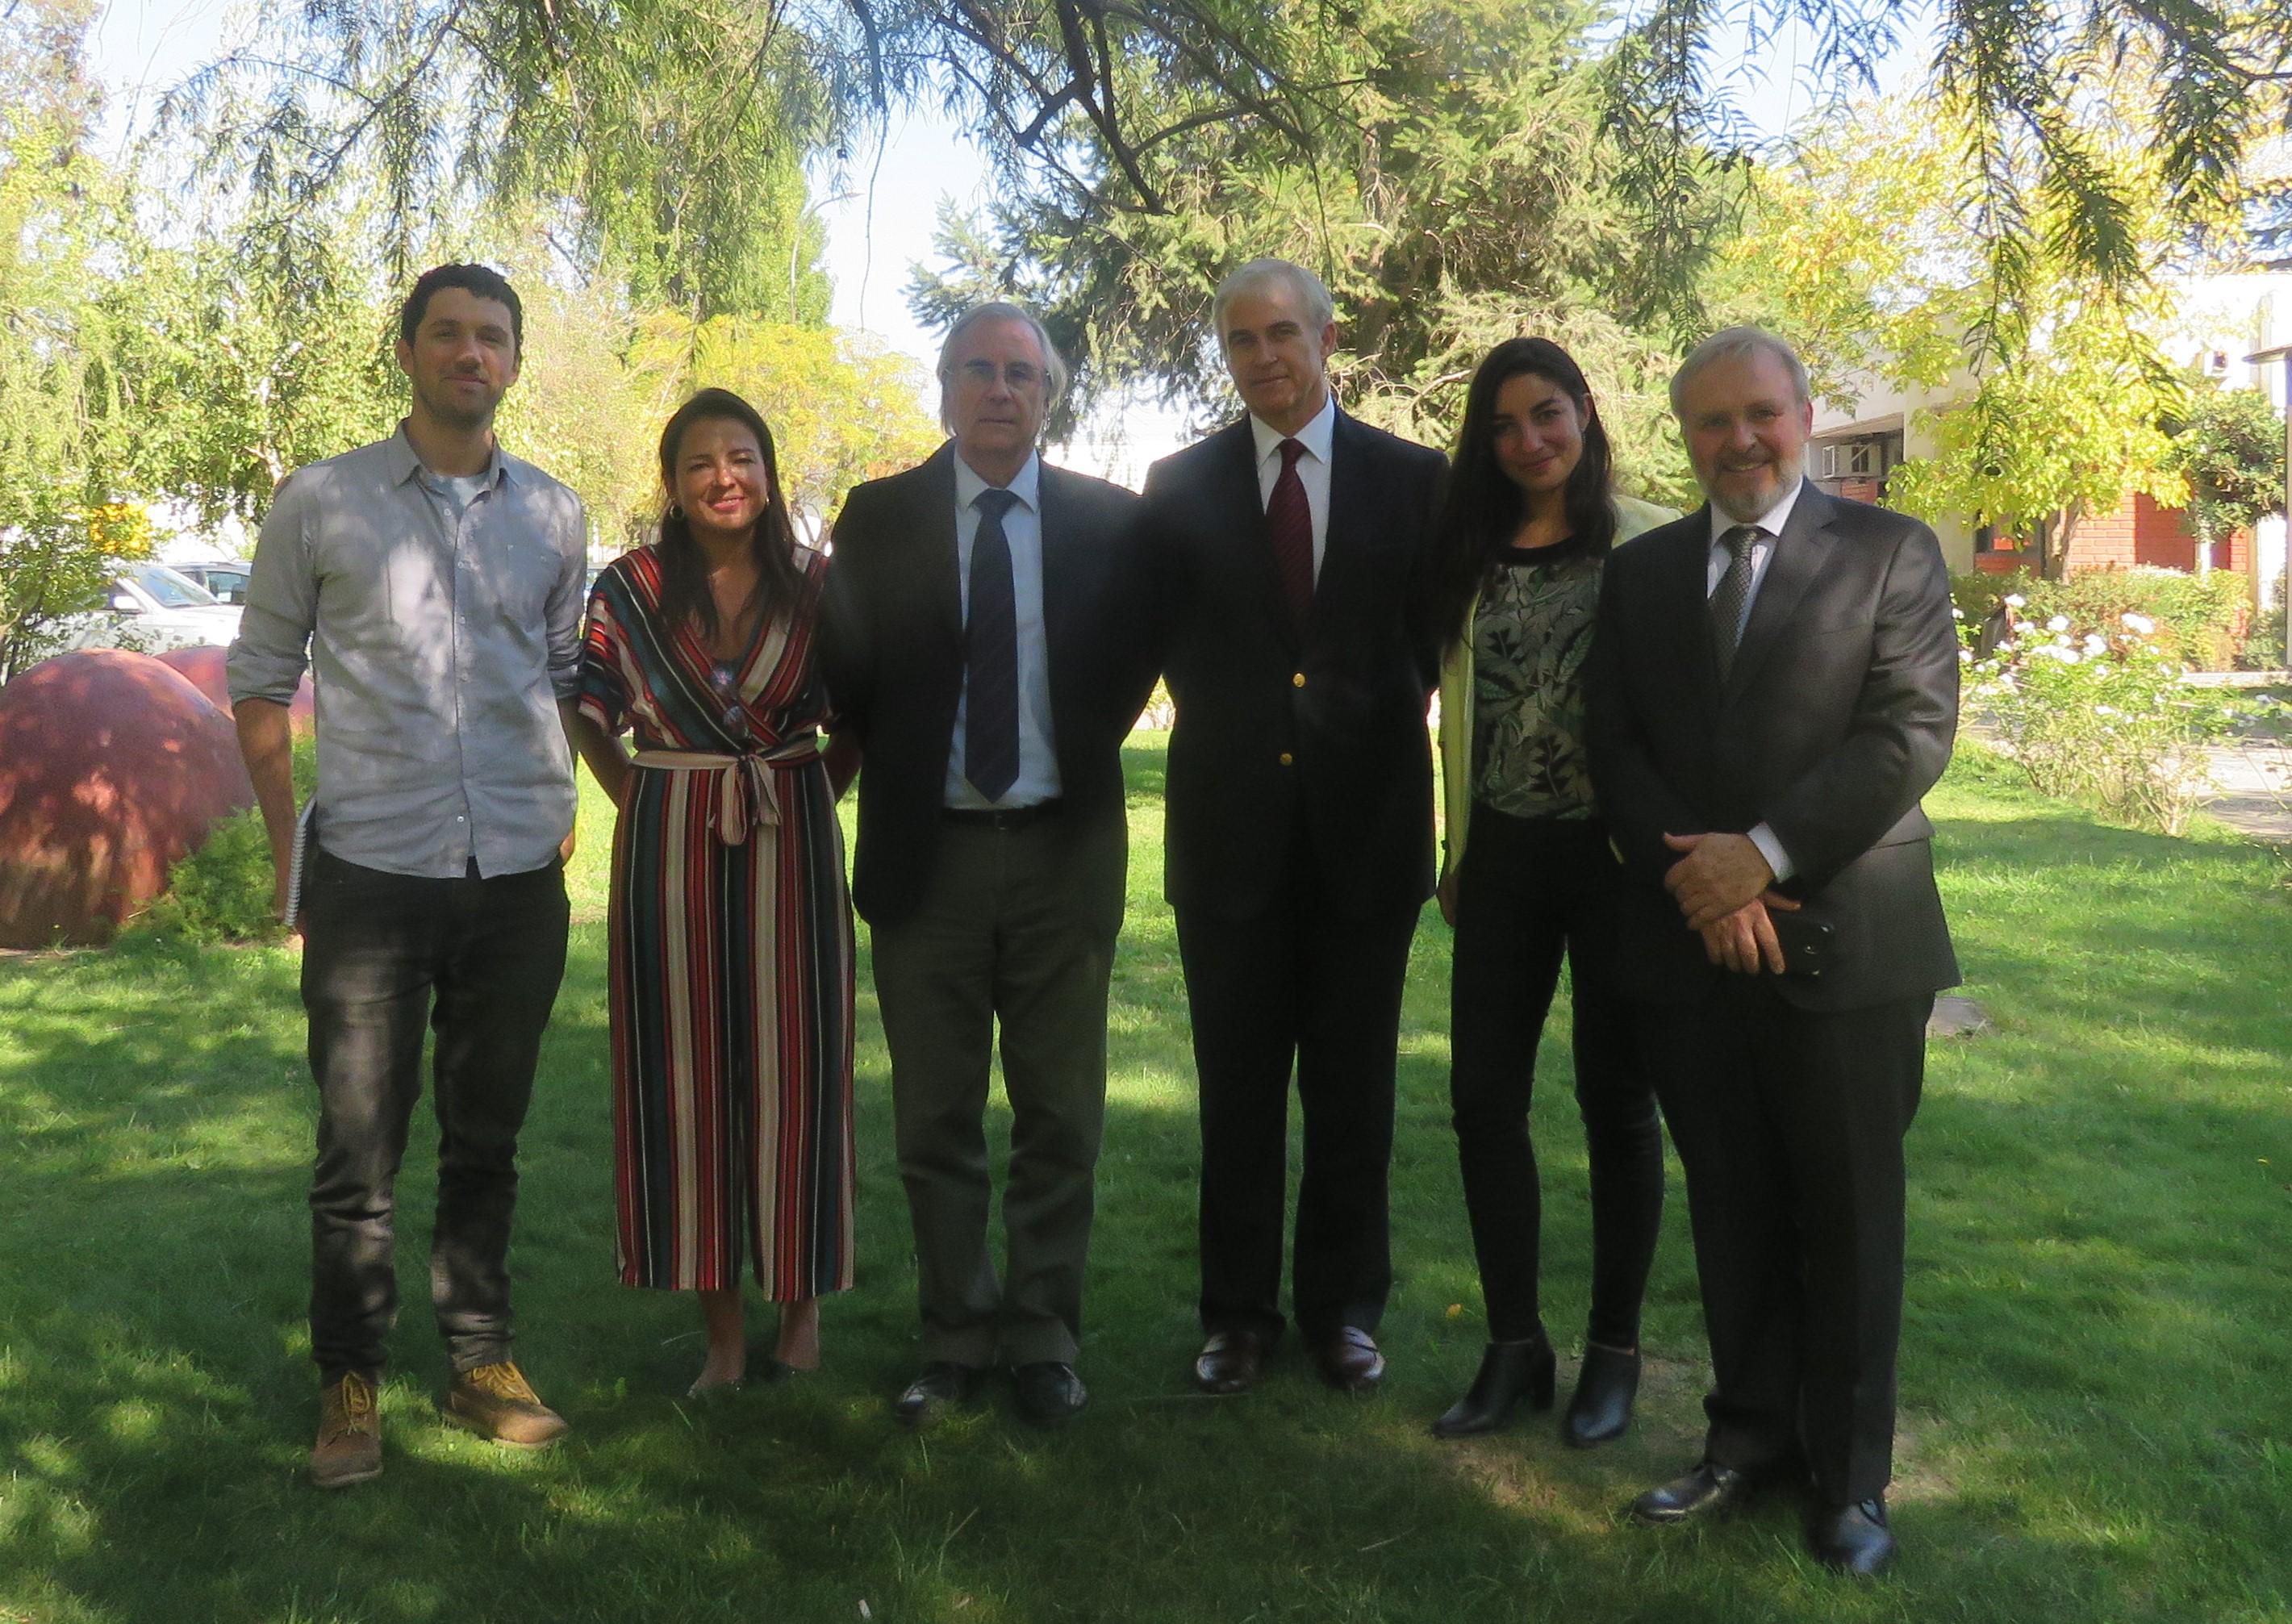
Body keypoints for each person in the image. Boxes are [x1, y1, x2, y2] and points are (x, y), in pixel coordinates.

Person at [1585, 327, 1959, 1576]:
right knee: (1734, 1204)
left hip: (1849, 942)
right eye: (1710, 421)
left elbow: (1907, 733)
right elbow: (1614, 746)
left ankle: (1851, 1483)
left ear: (1804, 415)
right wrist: (1700, 880)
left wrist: (1764, 851)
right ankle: (1744, 1441)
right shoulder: (1638, 576)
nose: (1738, 440)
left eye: (1761, 413)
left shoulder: (1889, 552)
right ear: (1682, 434)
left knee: (1849, 1217)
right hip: (1692, 945)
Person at [228, 263, 587, 1488]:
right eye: (447, 334)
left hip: (516, 878)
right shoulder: (322, 502)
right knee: (358, 1148)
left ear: (514, 361)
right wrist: (292, 857)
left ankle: (482, 1357)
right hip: (371, 871)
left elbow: (560, 675)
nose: (469, 354)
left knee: (488, 1135)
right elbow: (259, 677)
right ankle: (350, 1380)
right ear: (408, 353)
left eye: (491, 336)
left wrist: (563, 800)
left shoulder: (555, 514)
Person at [816, 303, 1142, 1427]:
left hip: (1063, 854)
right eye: (977, 370)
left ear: (1049, 395)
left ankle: (1044, 1334)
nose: (1000, 389)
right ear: (944, 388)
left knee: (1062, 1117)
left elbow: (1133, 664)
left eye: (1021, 372)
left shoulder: (1109, 523)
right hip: (929, 861)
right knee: (934, 1120)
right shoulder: (879, 517)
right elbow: (847, 675)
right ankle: (955, 1333)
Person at [1125, 258, 1445, 1396]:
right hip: (1229, 843)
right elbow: (1148, 640)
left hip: (1368, 837)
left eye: (1281, 334)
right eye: (1240, 341)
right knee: (1240, 1093)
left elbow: (1435, 642)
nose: (1264, 356)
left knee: (1354, 1091)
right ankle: (1238, 1317)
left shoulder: (1415, 483)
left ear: (1324, 337)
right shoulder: (1177, 487)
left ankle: (1346, 1311)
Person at [568, 389, 858, 1396]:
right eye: (701, 462)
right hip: (669, 841)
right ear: (673, 482)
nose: (723, 476)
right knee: (684, 1081)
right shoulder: (631, 588)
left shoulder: (821, 586)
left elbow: (861, 712)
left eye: (742, 457)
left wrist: (810, 793)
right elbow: (589, 710)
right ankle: (723, 1339)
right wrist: (645, 796)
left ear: (770, 473)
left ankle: (803, 1315)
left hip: (793, 837)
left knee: (798, 1070)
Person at [1416, 338, 1676, 1445]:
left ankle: (1613, 1349)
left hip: (1618, 864)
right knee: (1483, 1099)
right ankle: (1514, 1342)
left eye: (1547, 414)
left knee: (1617, 1101)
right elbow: (1460, 709)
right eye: (1505, 425)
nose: (1528, 441)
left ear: (1584, 413)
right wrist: (1459, 846)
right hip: (1507, 856)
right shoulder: (1468, 552)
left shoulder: (1652, 541)